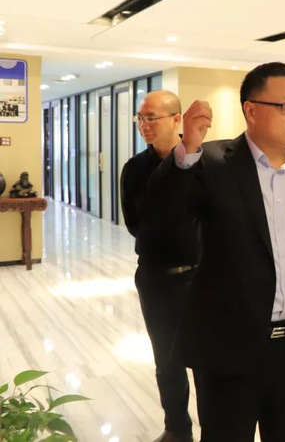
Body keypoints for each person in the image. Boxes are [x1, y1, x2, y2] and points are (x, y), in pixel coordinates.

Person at [144, 63, 285, 442]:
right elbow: (161, 213)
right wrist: (187, 150)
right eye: (284, 106)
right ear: (251, 110)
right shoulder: (211, 162)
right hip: (227, 347)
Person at [121, 90, 201, 442]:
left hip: (201, 277)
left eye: (151, 117)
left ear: (176, 119)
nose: (144, 125)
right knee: (167, 360)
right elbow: (135, 223)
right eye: (140, 118)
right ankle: (177, 429)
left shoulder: (203, 162)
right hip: (154, 278)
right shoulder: (135, 168)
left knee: (206, 359)